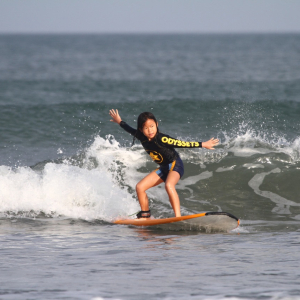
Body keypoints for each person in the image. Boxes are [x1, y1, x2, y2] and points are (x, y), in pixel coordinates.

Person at [109, 109, 219, 219]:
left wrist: (203, 144)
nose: (150, 130)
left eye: (152, 126)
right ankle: (145, 214)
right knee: (140, 187)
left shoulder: (162, 138)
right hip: (164, 168)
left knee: (169, 185)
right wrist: (119, 121)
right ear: (141, 129)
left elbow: (182, 144)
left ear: (156, 124)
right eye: (146, 128)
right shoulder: (142, 137)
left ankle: (178, 217)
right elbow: (129, 129)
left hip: (176, 165)